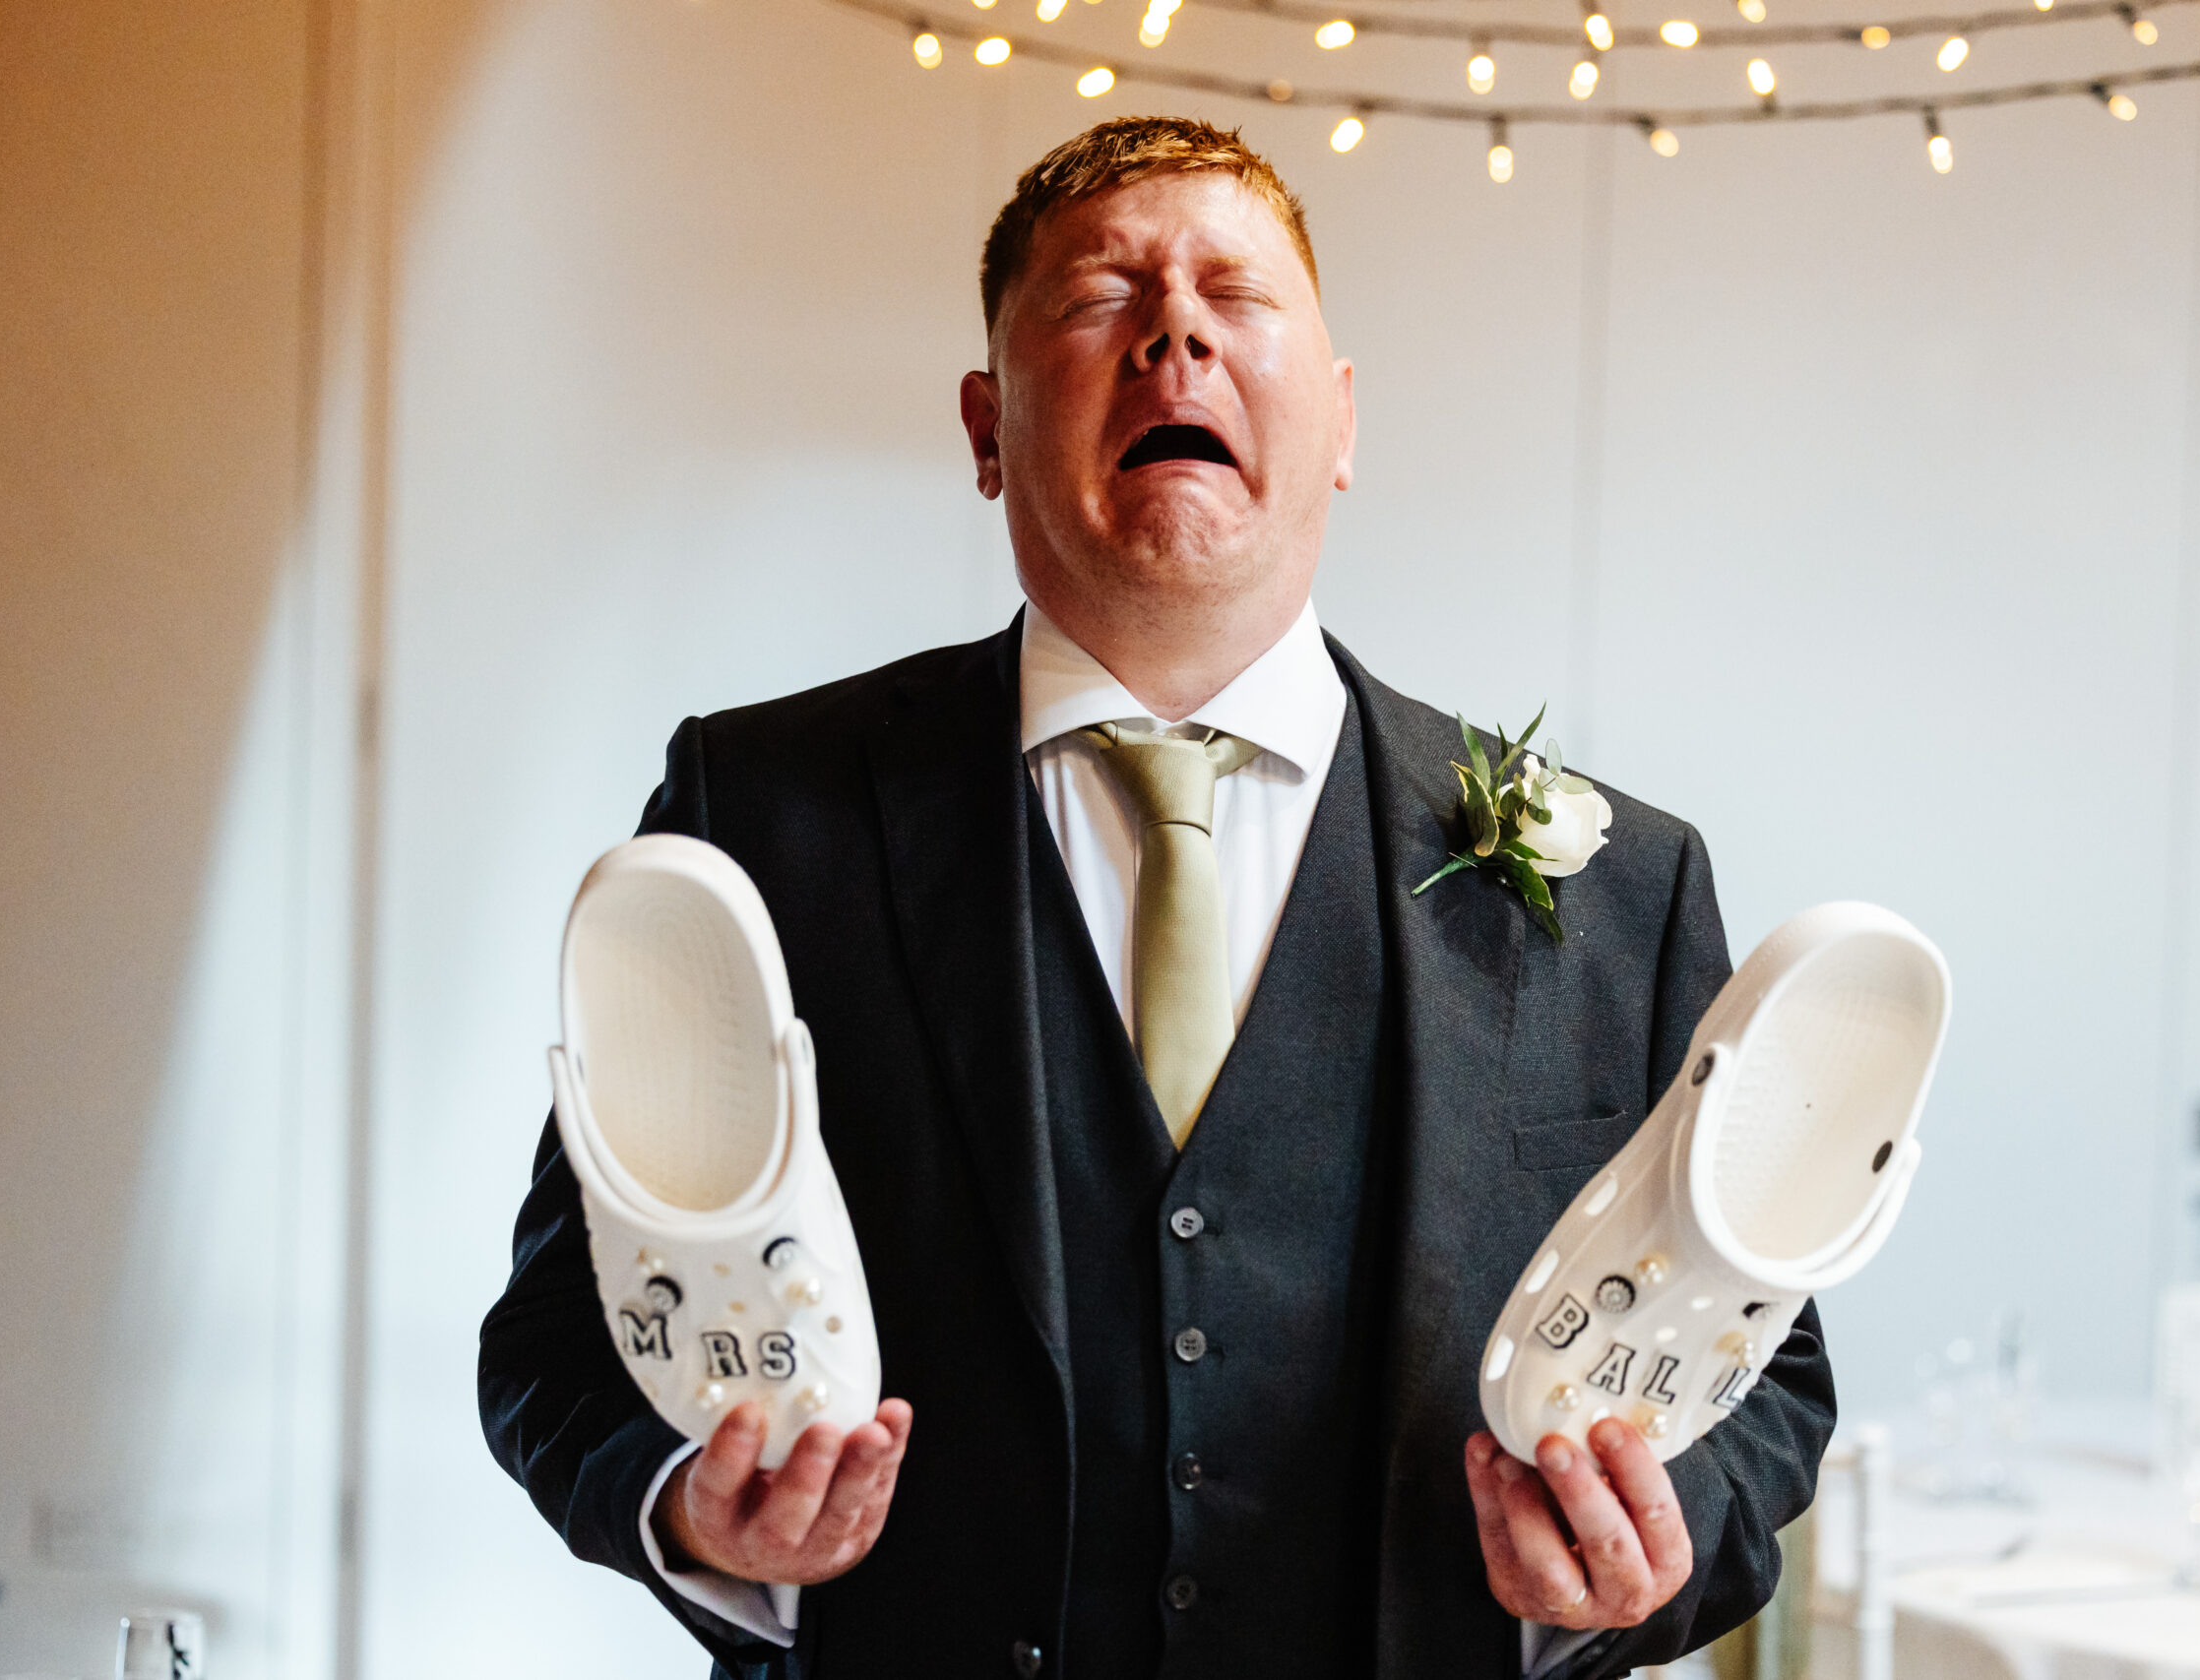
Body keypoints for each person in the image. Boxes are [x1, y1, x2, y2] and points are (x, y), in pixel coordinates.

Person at [479, 115, 1833, 1680]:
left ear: (1339, 422)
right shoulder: (763, 814)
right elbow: (558, 1341)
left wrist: (1637, 1567)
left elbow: (1769, 1379)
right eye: (1099, 295)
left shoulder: (1623, 889)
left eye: (1235, 295)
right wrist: (701, 1524)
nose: (1174, 329)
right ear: (988, 430)